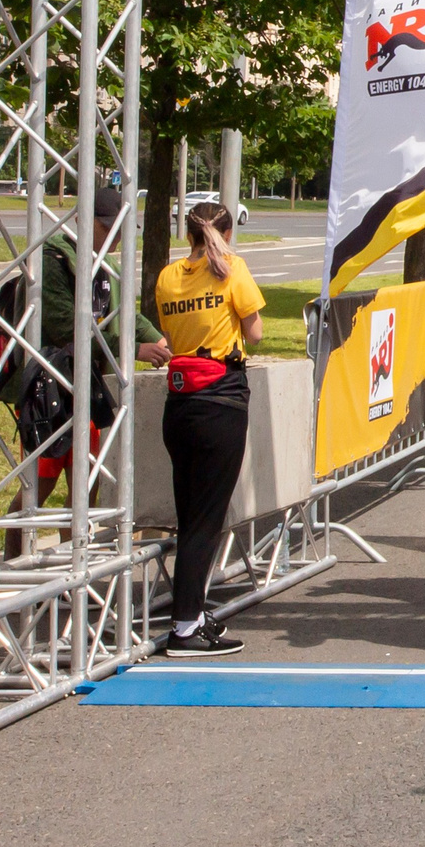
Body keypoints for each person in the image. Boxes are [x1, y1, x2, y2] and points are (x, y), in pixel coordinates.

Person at [0, 186, 168, 559]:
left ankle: (74, 564)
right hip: (47, 390)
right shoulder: (52, 260)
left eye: (121, 230)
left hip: (89, 391)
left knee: (85, 488)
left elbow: (124, 313)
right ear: (85, 221)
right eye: (108, 228)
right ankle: (12, 565)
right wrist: (132, 349)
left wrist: (158, 339)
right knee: (37, 487)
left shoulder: (106, 265)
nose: (116, 238)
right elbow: (64, 325)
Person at [151, 200, 260, 655]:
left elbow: (171, 333)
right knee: (206, 521)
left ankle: (191, 613)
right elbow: (254, 333)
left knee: (190, 516)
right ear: (227, 233)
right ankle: (183, 628)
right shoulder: (233, 269)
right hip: (221, 400)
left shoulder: (167, 276)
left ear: (188, 232)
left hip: (179, 403)